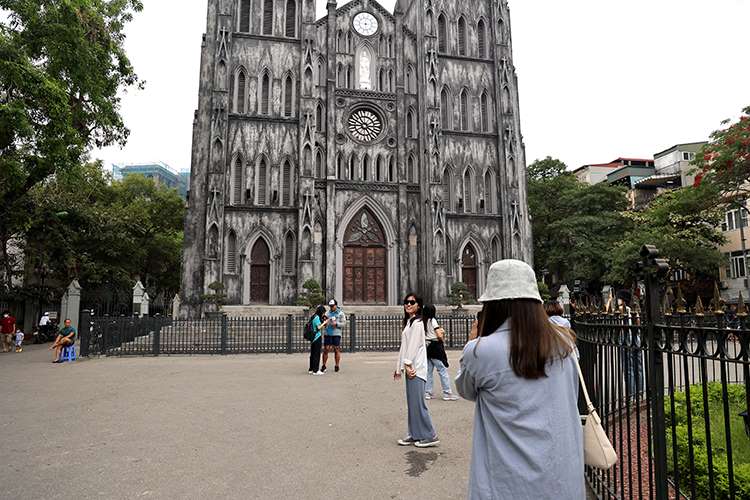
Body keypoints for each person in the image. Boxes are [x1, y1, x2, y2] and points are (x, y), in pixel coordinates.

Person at [456, 260, 584, 499]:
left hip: (509, 484)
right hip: (562, 477)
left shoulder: (482, 351)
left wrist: (473, 341)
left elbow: (465, 389)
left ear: (493, 305)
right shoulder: (565, 344)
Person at [394, 293, 440, 448]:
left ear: (418, 305)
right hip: (410, 367)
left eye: (412, 302)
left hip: (416, 368)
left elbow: (414, 345)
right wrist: (399, 367)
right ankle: (414, 433)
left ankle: (430, 434)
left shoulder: (418, 323)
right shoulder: (410, 322)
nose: (408, 304)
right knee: (412, 403)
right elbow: (404, 346)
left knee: (418, 403)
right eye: (406, 302)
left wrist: (407, 363)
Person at [422, 305, 459, 401]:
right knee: (442, 370)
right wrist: (442, 335)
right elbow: (438, 334)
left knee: (428, 371)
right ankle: (447, 393)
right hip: (435, 347)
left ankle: (427, 392)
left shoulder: (423, 321)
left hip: (427, 346)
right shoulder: (433, 320)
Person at [322, 299, 346, 373]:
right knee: (326, 349)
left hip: (336, 333)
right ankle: (324, 365)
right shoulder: (327, 313)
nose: (331, 307)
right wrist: (324, 322)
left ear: (336, 305)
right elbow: (323, 321)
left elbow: (344, 323)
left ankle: (337, 365)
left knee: (336, 349)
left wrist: (337, 324)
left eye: (333, 306)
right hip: (328, 333)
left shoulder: (340, 313)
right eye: (330, 306)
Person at [309, 305, 328, 375]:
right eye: (323, 312)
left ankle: (311, 369)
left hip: (313, 338)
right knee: (316, 354)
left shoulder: (313, 316)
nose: (323, 314)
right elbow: (318, 327)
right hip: (317, 337)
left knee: (313, 354)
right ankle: (316, 370)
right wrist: (325, 323)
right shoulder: (317, 317)